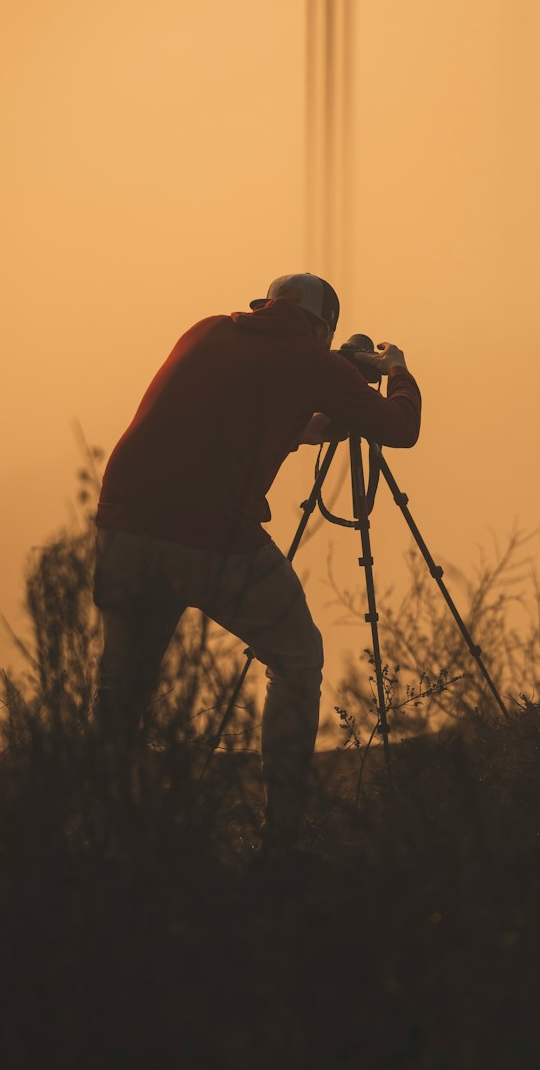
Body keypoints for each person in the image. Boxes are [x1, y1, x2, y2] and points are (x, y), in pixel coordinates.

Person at [91, 272, 421, 844]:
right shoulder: (314, 363)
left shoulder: (208, 332)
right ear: (322, 327)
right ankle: (283, 836)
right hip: (213, 538)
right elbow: (400, 428)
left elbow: (248, 408)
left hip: (124, 525)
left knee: (123, 686)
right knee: (296, 657)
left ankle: (99, 835)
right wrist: (394, 370)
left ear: (269, 306)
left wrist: (332, 387)